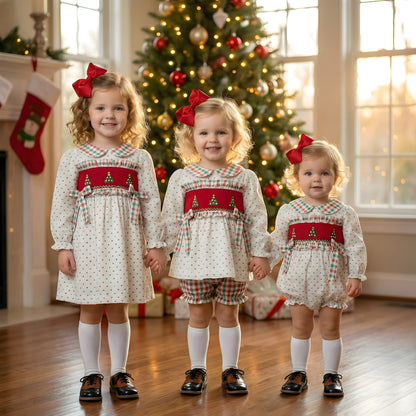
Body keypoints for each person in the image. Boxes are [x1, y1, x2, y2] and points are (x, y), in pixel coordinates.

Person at [50, 63, 167, 402]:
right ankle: (90, 373)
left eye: (118, 107)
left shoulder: (138, 158)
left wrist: (156, 244)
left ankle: (119, 372)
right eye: (101, 107)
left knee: (118, 309)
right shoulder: (75, 158)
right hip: (86, 245)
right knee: (89, 309)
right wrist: (64, 245)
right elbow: (63, 204)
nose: (109, 115)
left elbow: (150, 203)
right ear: (87, 112)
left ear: (129, 113)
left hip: (126, 244)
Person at [162, 89, 270, 395]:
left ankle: (230, 369)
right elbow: (169, 219)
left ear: (234, 137)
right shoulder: (183, 178)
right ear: (192, 137)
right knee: (198, 314)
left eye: (221, 131)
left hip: (233, 259)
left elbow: (257, 219)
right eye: (204, 132)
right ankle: (197, 369)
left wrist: (260, 254)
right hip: (193, 260)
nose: (213, 139)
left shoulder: (243, 178)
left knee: (228, 314)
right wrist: (161, 250)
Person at [270, 134, 367, 397]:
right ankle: (298, 372)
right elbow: (277, 243)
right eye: (309, 173)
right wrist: (260, 262)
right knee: (300, 328)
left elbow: (355, 246)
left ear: (335, 177)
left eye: (324, 173)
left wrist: (356, 275)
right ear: (297, 177)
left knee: (330, 329)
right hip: (298, 281)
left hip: (331, 283)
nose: (316, 179)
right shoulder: (289, 211)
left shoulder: (343, 212)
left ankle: (331, 375)